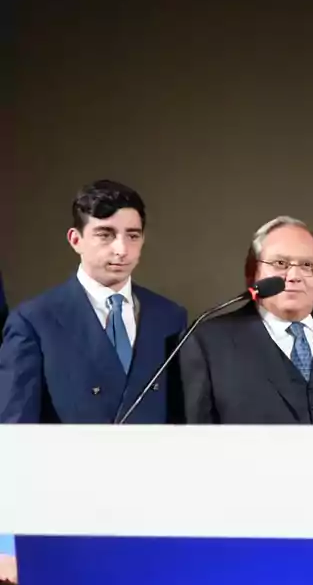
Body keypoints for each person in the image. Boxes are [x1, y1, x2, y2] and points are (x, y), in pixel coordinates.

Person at [0, 180, 187, 424]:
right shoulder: (34, 321)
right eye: (105, 235)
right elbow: (15, 428)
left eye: (132, 235)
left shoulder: (170, 316)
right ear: (75, 240)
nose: (121, 249)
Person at [179, 216, 313, 425]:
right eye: (280, 263)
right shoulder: (207, 342)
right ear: (252, 273)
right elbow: (196, 435)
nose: (294, 276)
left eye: (307, 265)